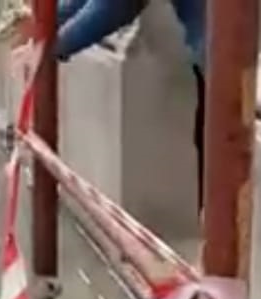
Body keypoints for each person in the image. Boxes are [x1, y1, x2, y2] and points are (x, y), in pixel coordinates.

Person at [56, 0, 207, 210]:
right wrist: (44, 21)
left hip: (229, 71)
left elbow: (120, 4)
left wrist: (53, 43)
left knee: (222, 179)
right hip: (221, 63)